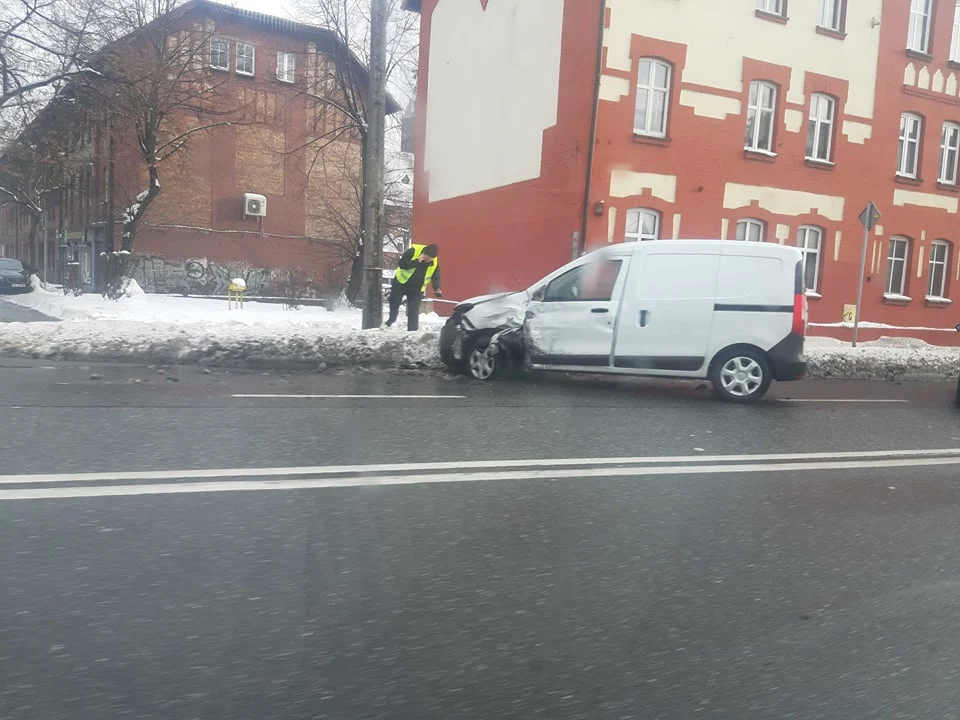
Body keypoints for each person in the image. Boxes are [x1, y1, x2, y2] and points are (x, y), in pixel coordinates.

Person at [386, 243, 442, 331]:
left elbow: (436, 275)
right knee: (394, 302)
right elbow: (402, 264)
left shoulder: (434, 261)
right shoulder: (413, 251)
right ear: (425, 254)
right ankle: (391, 320)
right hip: (401, 283)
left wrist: (437, 288)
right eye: (428, 258)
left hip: (417, 288)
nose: (429, 261)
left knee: (414, 310)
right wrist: (416, 261)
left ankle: (412, 331)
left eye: (431, 259)